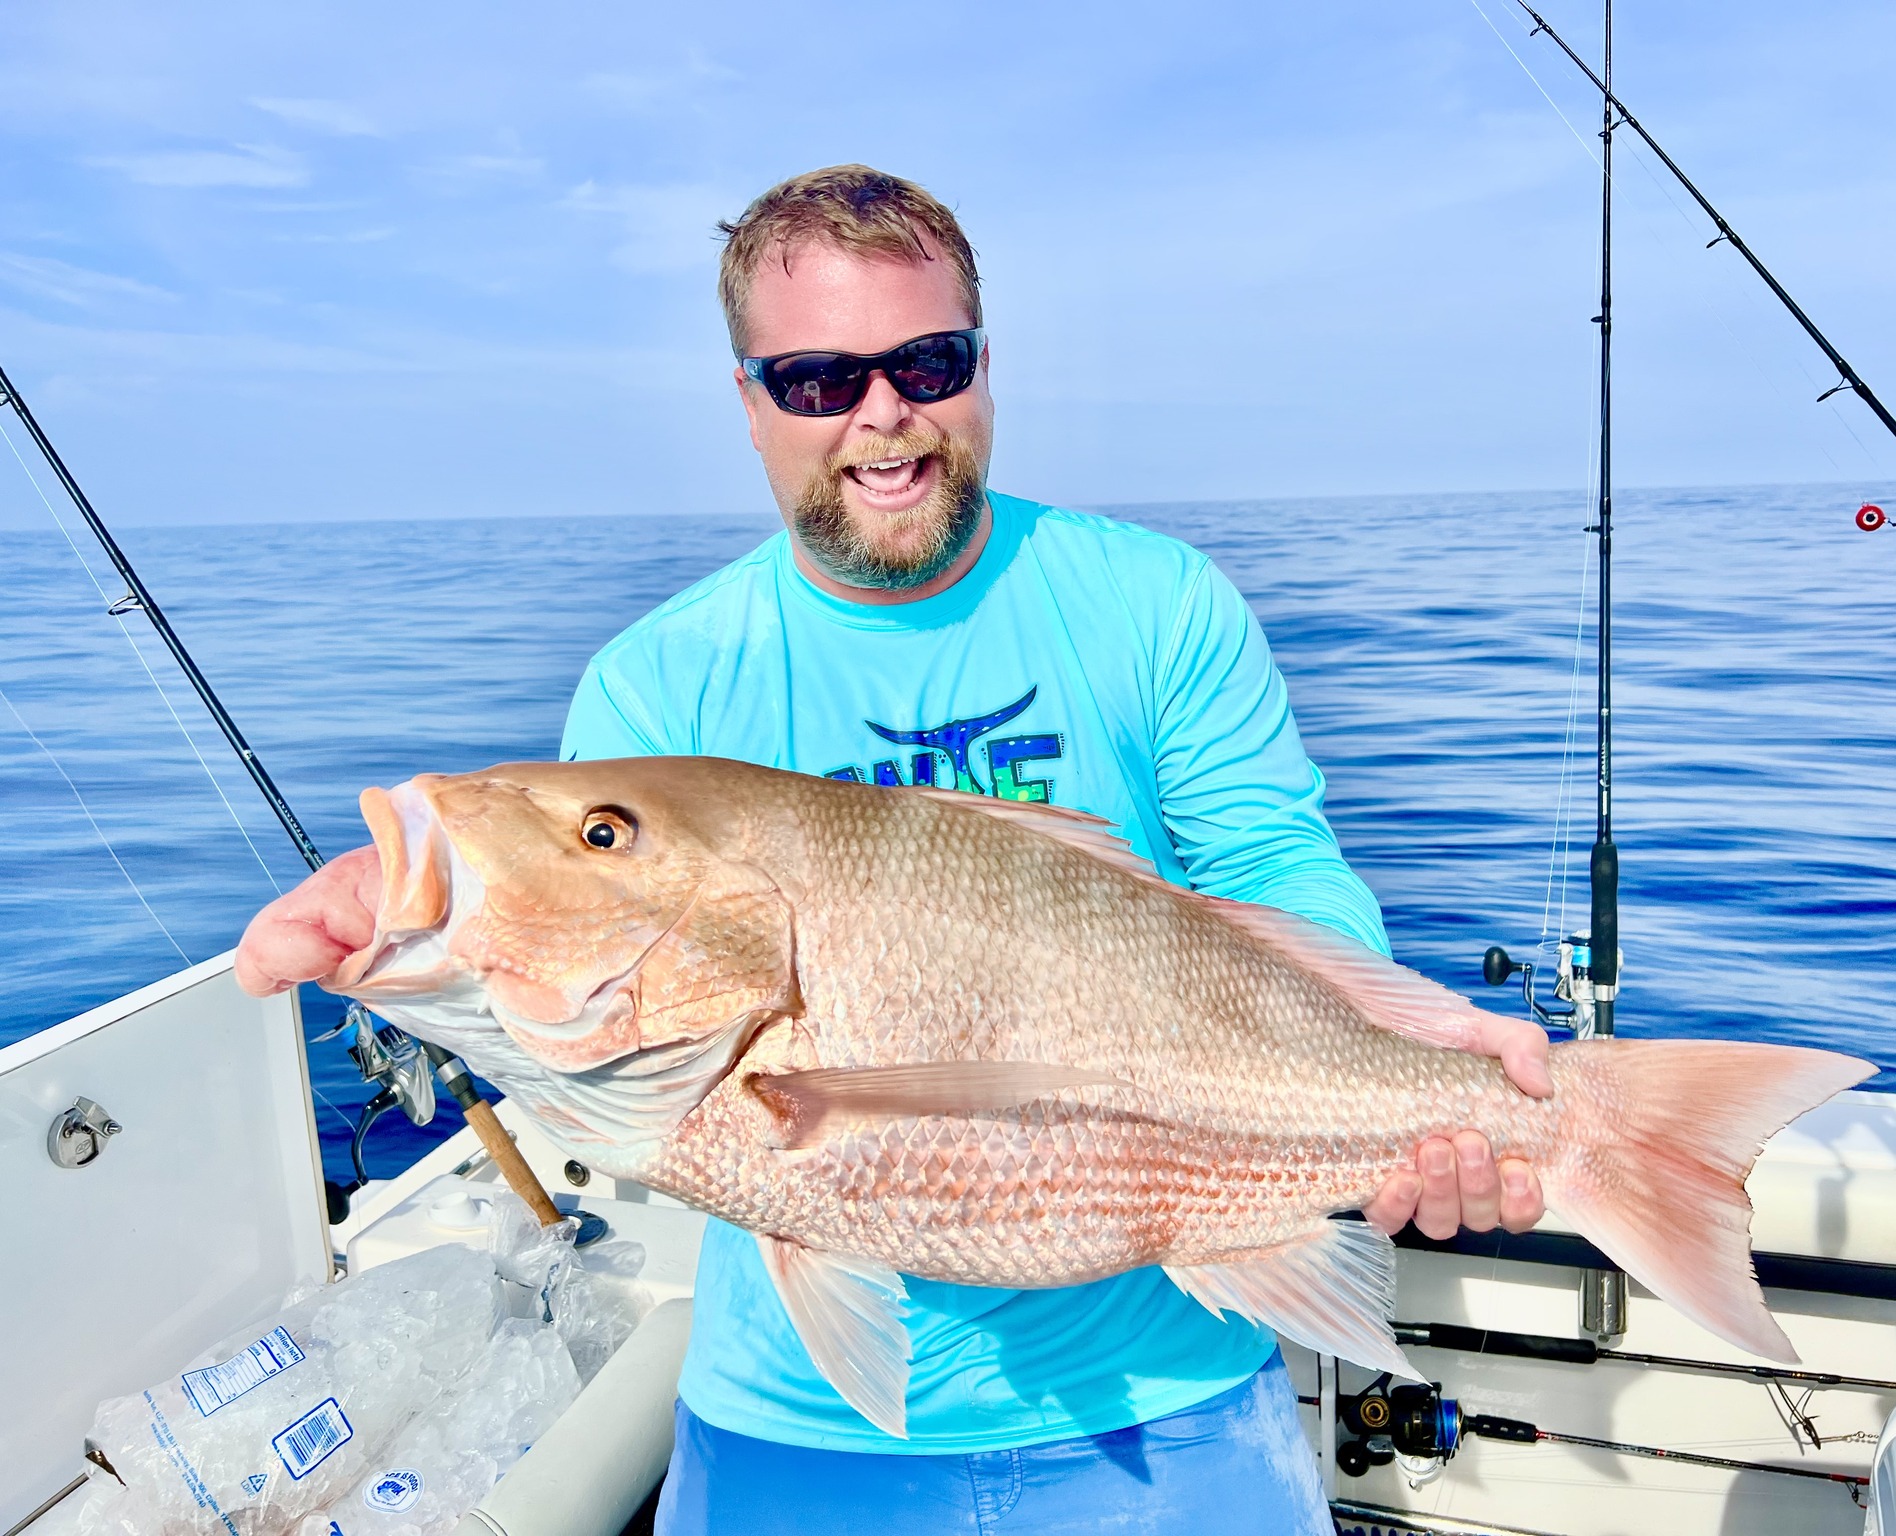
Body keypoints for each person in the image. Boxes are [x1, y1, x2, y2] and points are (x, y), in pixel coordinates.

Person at [237, 164, 1551, 1535]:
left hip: (1172, 1392)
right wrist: (400, 944)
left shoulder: (1154, 601)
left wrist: (1411, 1060)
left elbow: (1275, 868)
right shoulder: (657, 683)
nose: (882, 413)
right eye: (817, 379)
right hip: (792, 1422)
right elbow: (592, 1044)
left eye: (927, 362)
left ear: (983, 365)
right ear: (751, 400)